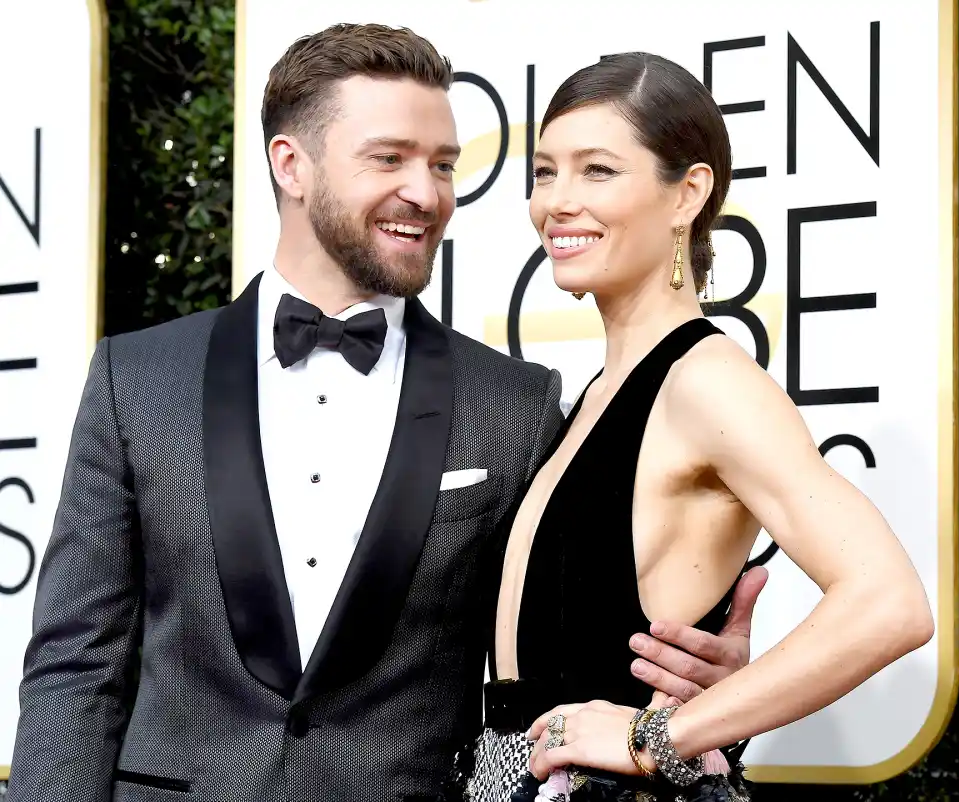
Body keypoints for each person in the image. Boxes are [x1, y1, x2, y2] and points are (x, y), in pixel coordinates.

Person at [5, 25, 762, 802]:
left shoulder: (517, 404)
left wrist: (706, 694)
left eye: (442, 165)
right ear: (291, 164)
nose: (427, 193)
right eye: (389, 158)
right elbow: (75, 666)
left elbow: (553, 646)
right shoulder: (136, 381)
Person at [460, 52, 935, 802]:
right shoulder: (596, 394)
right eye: (545, 171)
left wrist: (659, 738)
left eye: (597, 171)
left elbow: (888, 604)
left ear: (688, 194)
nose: (557, 201)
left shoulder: (707, 384)